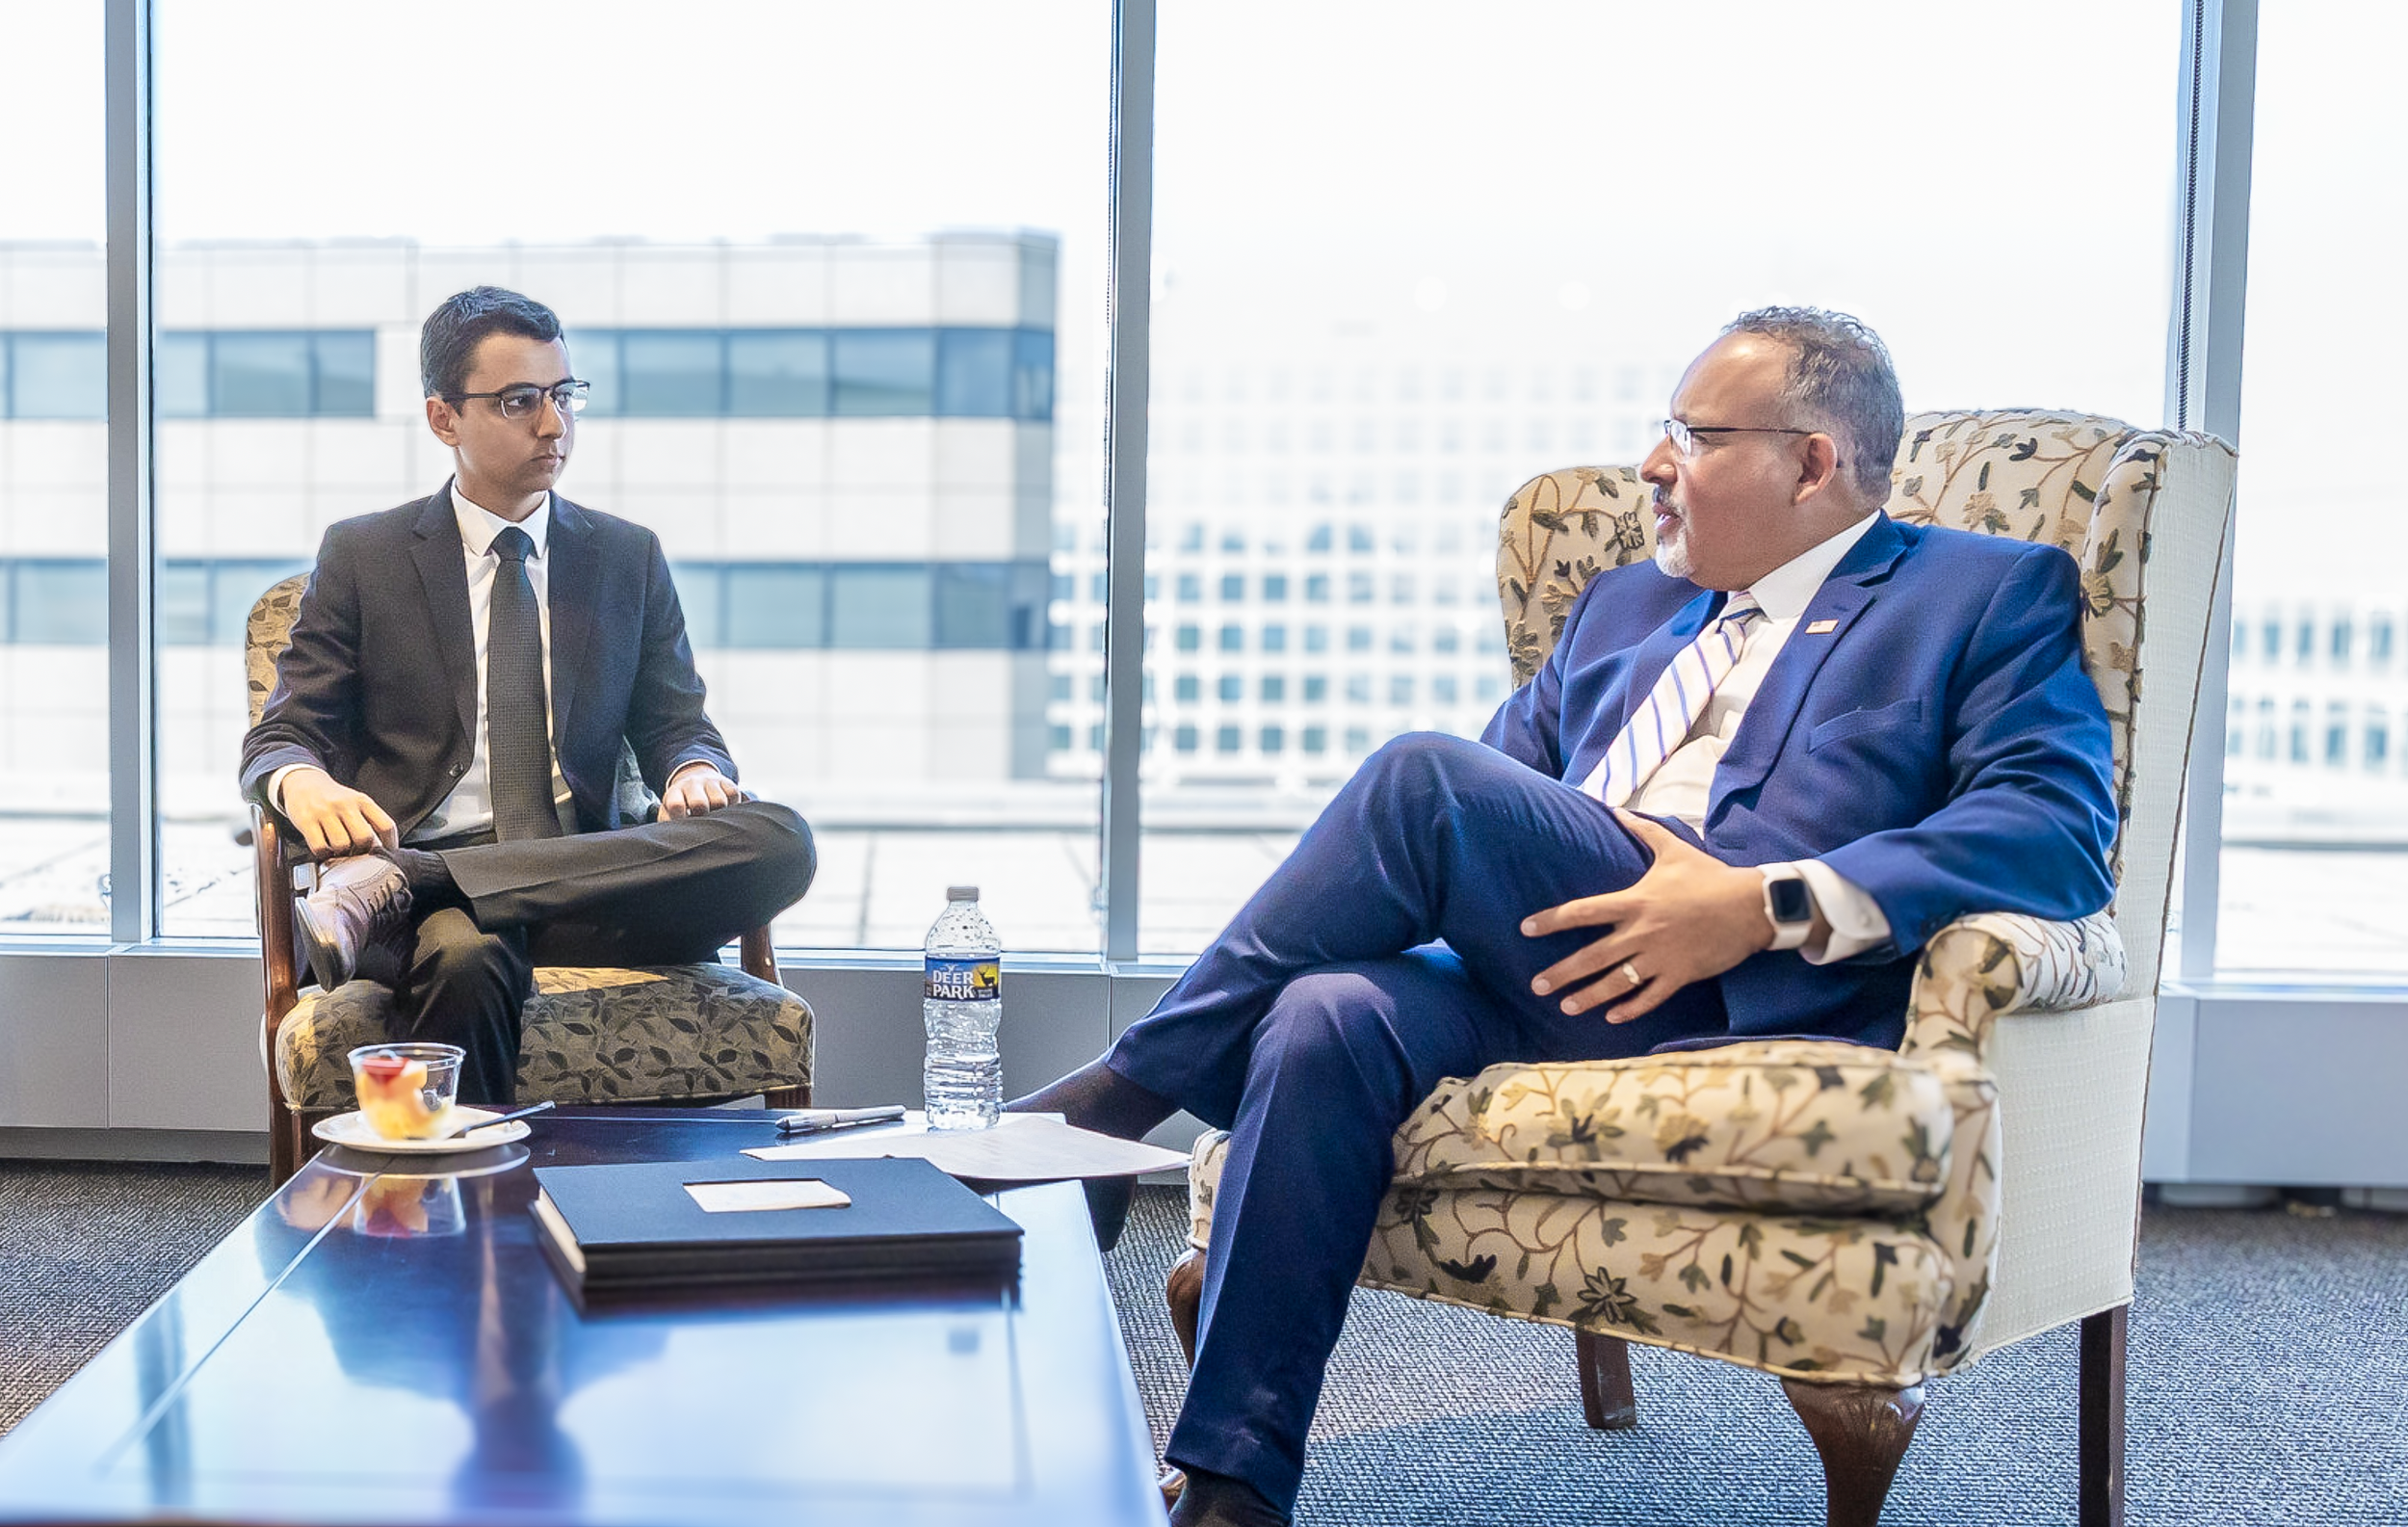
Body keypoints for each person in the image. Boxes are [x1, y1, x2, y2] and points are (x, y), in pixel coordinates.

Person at [1011, 307, 2119, 1527]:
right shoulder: (1623, 608)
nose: (1652, 466)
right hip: (1539, 969)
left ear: (1810, 463)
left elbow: (2054, 829)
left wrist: (1763, 904)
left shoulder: (1977, 593)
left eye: (1692, 437)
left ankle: (1116, 1102)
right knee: (1324, 1011)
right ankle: (1233, 1489)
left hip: (1740, 992)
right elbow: (1494, 817)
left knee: (1420, 779)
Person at [240, 286, 815, 1104]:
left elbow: (678, 724)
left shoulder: (626, 557)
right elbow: (282, 733)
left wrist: (692, 767)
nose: (554, 425)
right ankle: (470, 1187)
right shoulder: (365, 556)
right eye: (520, 401)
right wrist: (303, 781)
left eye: (564, 394)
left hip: (599, 884)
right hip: (442, 919)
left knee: (782, 837)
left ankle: (409, 876)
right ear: (444, 417)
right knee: (466, 955)